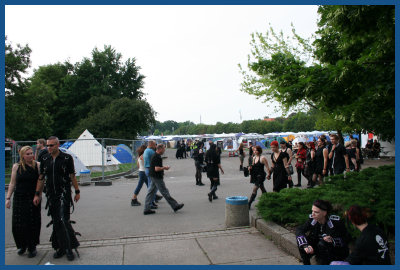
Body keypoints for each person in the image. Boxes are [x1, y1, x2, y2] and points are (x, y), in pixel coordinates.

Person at [33, 136, 80, 261]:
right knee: (56, 221)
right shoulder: (44, 158)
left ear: (57, 145)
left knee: (64, 219)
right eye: (47, 145)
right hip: (51, 194)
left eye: (51, 145)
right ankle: (60, 247)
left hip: (63, 192)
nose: (49, 148)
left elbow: (72, 175)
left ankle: (69, 248)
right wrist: (37, 193)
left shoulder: (66, 158)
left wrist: (77, 191)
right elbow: (41, 177)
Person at [6, 146, 41, 258]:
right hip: (20, 198)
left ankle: (32, 246)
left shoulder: (38, 165)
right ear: (22, 155)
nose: (31, 155)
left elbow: (41, 182)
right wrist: (8, 198)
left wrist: (38, 195)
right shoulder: (17, 167)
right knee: (18, 223)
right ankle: (22, 245)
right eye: (28, 154)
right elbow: (12, 183)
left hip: (32, 197)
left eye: (32, 153)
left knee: (32, 222)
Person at [296, 199, 350, 265]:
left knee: (323, 244)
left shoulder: (335, 223)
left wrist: (332, 240)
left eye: (316, 212)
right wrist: (305, 245)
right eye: (312, 211)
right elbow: (300, 229)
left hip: (334, 251)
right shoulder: (313, 220)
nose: (313, 214)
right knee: (302, 241)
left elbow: (346, 239)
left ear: (324, 213)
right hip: (318, 246)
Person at [143, 144, 184, 215]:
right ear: (160, 149)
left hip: (153, 175)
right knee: (164, 192)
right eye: (164, 149)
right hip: (156, 177)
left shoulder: (155, 155)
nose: (164, 150)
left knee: (151, 192)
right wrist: (164, 168)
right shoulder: (157, 157)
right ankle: (175, 205)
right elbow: (156, 168)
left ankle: (146, 209)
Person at [143, 141, 163, 208]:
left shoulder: (145, 150)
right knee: (152, 188)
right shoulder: (151, 151)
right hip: (150, 169)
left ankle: (152, 201)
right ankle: (150, 203)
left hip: (146, 169)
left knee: (151, 187)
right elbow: (157, 155)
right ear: (151, 144)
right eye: (154, 145)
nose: (155, 146)